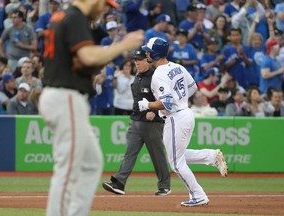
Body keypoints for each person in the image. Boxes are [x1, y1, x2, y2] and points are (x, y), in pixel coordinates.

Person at [38, 0, 144, 215]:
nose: (106, 10)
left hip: (61, 94)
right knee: (67, 169)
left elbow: (78, 61)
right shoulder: (75, 16)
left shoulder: (63, 16)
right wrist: (123, 45)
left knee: (91, 163)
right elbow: (86, 56)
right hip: (64, 95)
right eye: (105, 5)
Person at [138, 37, 228, 207]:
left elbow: (167, 103)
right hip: (185, 112)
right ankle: (210, 156)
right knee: (177, 156)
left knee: (176, 163)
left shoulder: (158, 74)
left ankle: (198, 195)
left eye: (148, 51)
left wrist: (147, 105)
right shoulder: (177, 66)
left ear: (155, 53)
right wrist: (180, 98)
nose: (146, 53)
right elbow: (193, 87)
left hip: (175, 117)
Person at [102, 48, 171, 196]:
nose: (137, 62)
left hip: (153, 123)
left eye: (140, 60)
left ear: (148, 60)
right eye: (136, 60)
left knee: (157, 155)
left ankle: (164, 185)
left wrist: (155, 111)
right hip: (136, 121)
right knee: (129, 154)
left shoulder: (156, 77)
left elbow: (165, 99)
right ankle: (119, 183)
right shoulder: (137, 77)